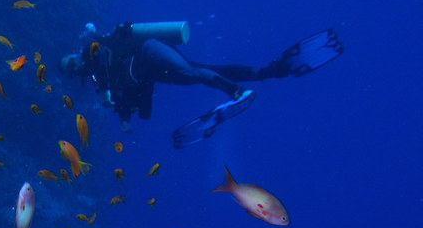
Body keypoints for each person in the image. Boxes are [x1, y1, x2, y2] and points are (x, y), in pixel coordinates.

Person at [60, 22, 343, 147]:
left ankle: (236, 91)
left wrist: (96, 60)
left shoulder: (93, 51)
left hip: (149, 49)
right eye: (71, 69)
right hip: (153, 72)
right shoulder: (102, 80)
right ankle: (273, 71)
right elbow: (134, 91)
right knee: (206, 71)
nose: (76, 67)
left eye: (71, 62)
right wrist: (125, 116)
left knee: (193, 71)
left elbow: (110, 52)